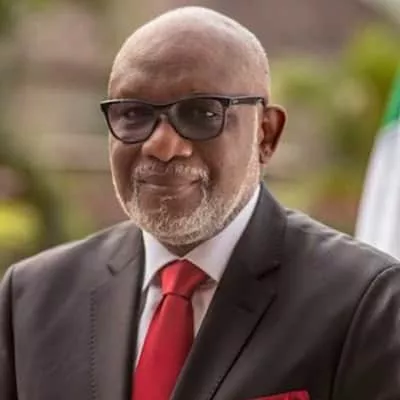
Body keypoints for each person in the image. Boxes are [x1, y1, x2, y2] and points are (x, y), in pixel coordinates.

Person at [1, 6, 400, 400]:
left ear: (266, 134)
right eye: (134, 113)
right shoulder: (31, 299)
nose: (162, 145)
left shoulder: (366, 301)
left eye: (201, 113)